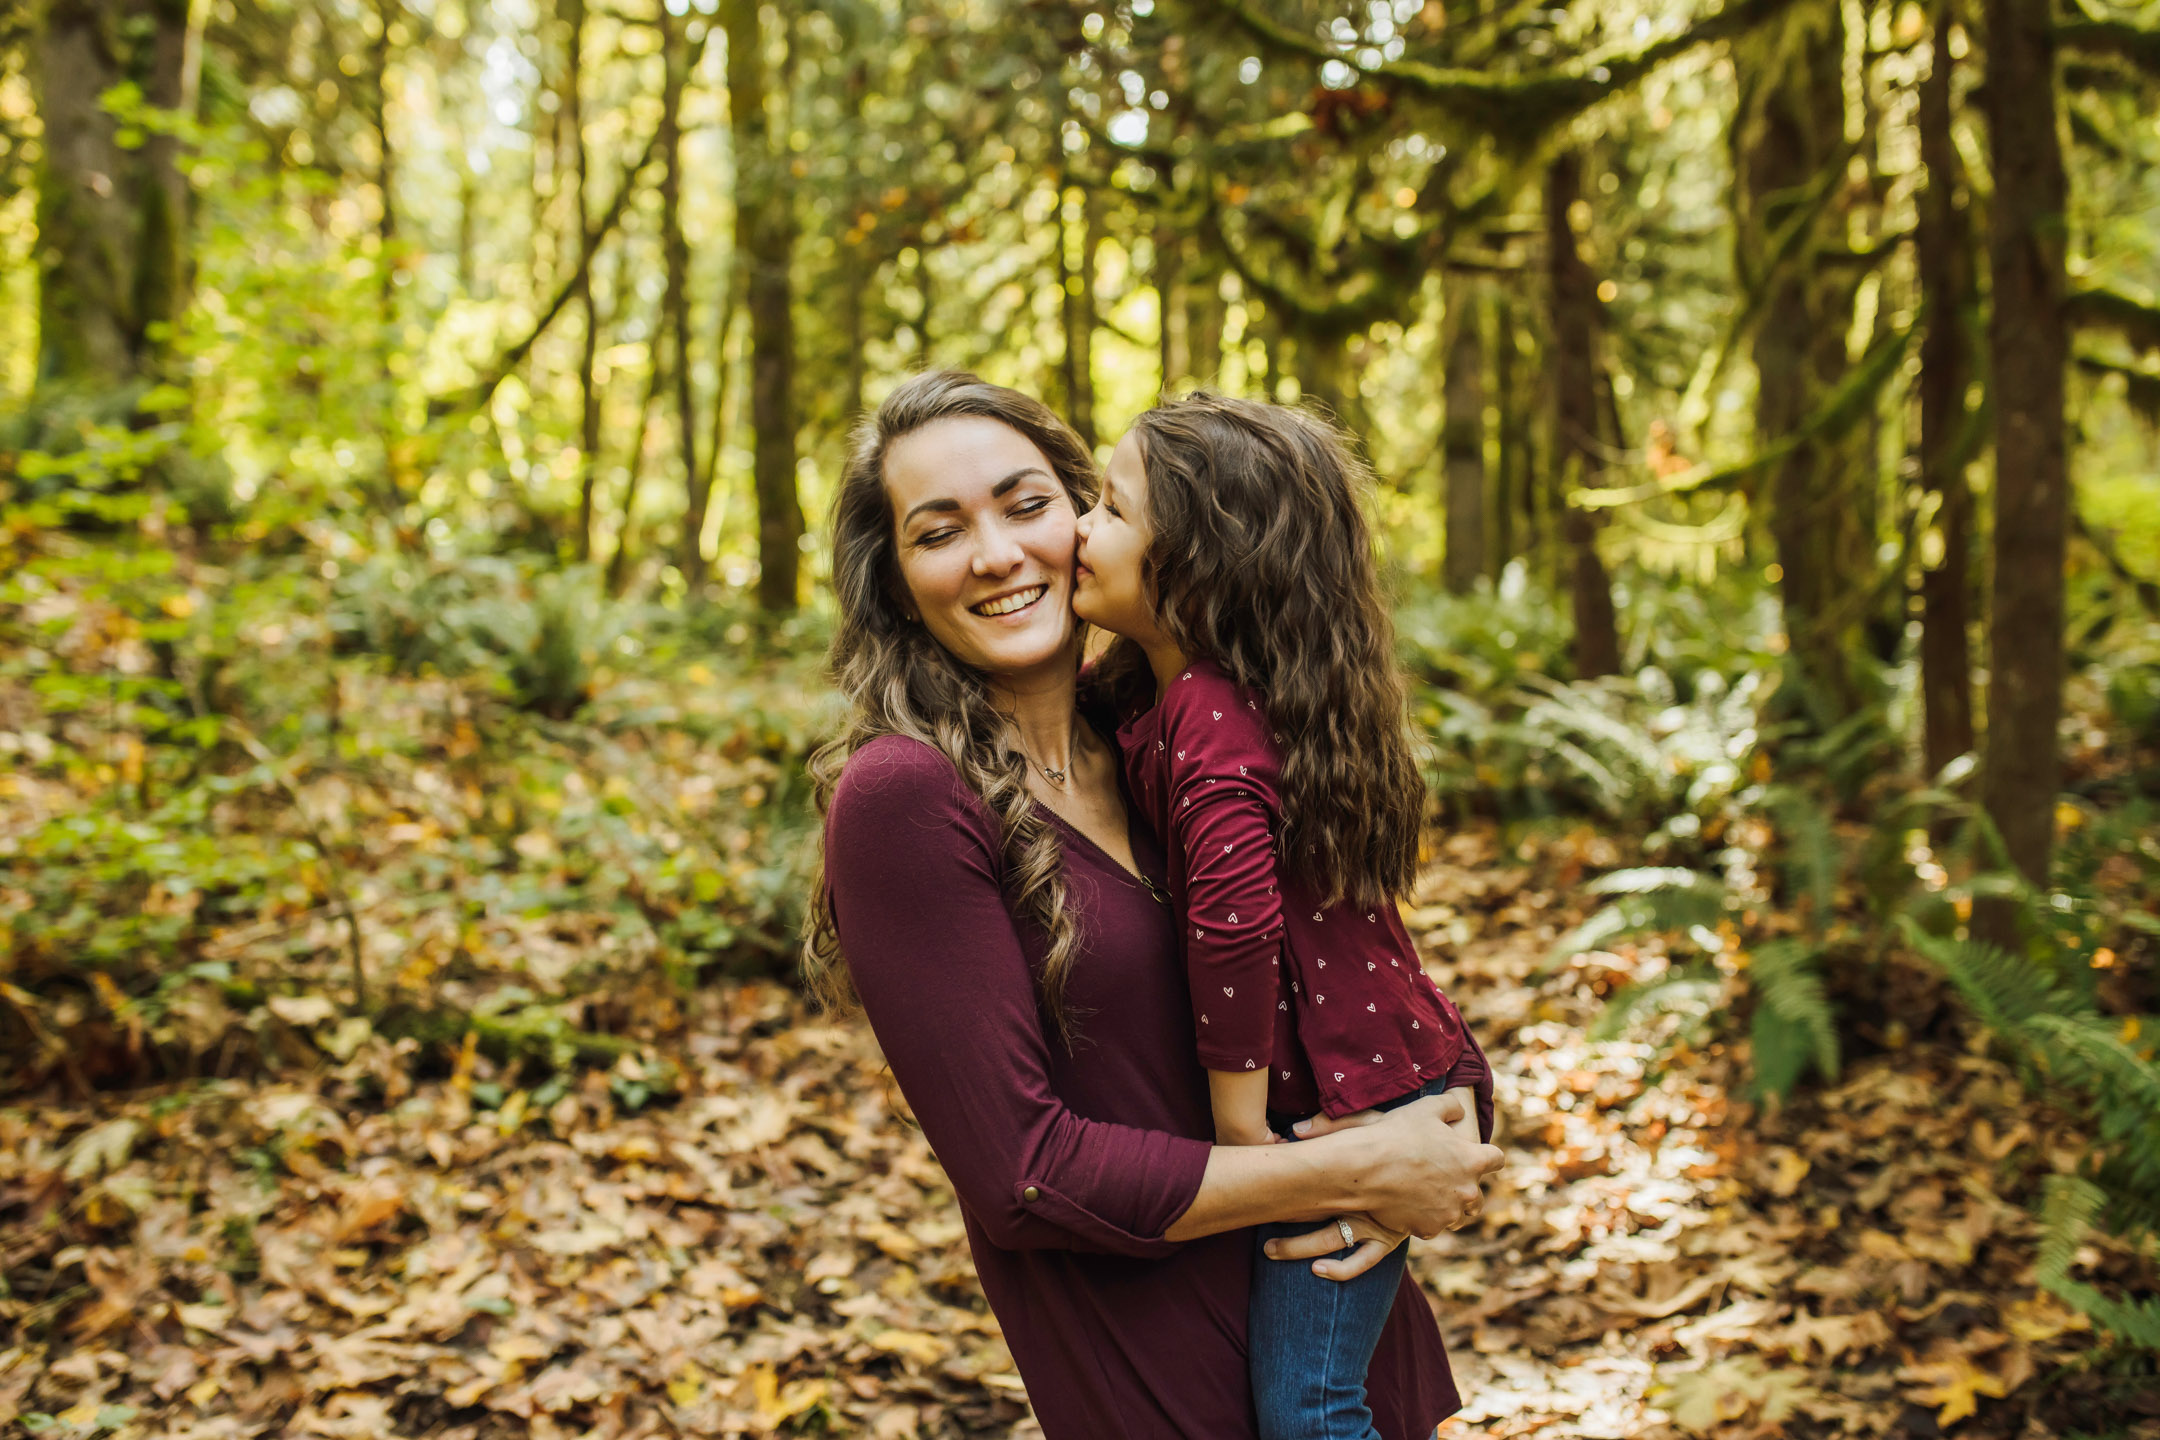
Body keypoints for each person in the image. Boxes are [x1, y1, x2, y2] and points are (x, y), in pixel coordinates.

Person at [803, 371, 1504, 1440]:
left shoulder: (1166, 729)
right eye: (940, 532)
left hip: (1340, 1352)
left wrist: (1451, 1113)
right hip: (1167, 1382)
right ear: (896, 583)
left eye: (1027, 504)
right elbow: (1025, 1175)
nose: (997, 554)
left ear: (1095, 523)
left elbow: (1345, 954)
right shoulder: (906, 798)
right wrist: (1361, 1164)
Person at [1071, 391, 1493, 1440]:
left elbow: (1236, 929)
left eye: (1111, 512)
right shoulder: (1161, 701)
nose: (1078, 529)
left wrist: (1245, 1144)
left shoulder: (1214, 721)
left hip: (1357, 1108)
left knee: (1310, 1410)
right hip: (1380, 1088)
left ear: (1201, 572)